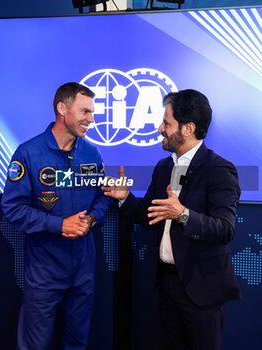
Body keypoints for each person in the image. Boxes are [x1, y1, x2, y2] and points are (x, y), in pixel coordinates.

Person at [103, 89, 241, 350]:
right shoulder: (164, 167)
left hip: (202, 289)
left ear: (188, 128)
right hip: (167, 284)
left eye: (167, 123)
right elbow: (149, 214)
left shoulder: (220, 170)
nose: (159, 129)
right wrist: (125, 197)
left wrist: (183, 214)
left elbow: (224, 230)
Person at [1, 82, 112, 350]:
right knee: (34, 344)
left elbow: (102, 196)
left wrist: (93, 219)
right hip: (44, 269)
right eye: (85, 111)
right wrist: (59, 225)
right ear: (62, 109)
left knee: (77, 342)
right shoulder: (28, 153)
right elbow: (13, 208)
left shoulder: (91, 152)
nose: (91, 119)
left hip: (83, 267)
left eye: (92, 112)